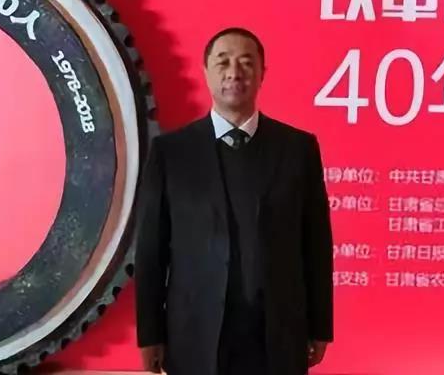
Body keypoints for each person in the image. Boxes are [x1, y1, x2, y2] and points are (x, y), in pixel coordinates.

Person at [134, 27, 334, 375]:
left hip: (277, 331)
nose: (234, 72)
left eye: (246, 63)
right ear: (206, 71)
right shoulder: (171, 152)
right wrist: (150, 334)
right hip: (194, 331)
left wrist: (320, 326)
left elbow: (316, 245)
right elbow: (152, 251)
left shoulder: (298, 149)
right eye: (223, 62)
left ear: (262, 74)